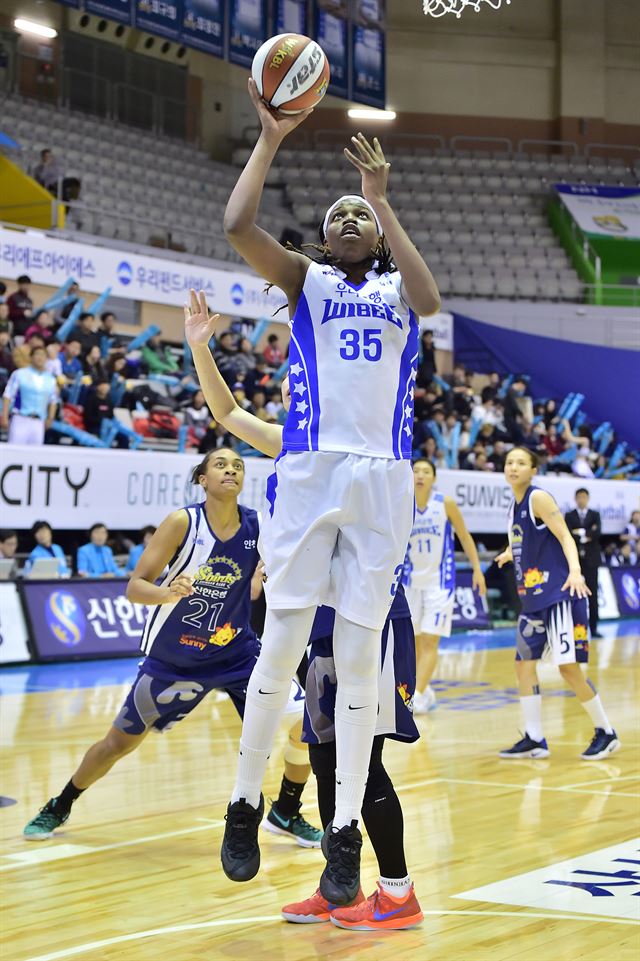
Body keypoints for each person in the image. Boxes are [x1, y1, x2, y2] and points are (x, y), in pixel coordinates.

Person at [197, 75, 439, 907]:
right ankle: (242, 803)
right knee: (282, 645)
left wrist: (383, 199)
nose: (345, 220)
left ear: (374, 235)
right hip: (308, 467)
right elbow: (235, 226)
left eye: (357, 217)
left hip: (381, 476)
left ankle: (341, 835)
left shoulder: (399, 294)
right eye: (335, 213)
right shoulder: (308, 283)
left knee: (362, 658)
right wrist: (268, 138)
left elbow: (433, 295)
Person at [186, 313, 424, 930]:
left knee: (364, 759)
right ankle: (336, 880)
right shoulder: (289, 441)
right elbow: (227, 412)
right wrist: (200, 348)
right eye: (295, 382)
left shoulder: (366, 447)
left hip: (370, 621)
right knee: (321, 757)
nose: (301, 386)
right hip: (311, 624)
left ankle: (397, 891)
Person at [23, 449, 321, 850]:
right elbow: (135, 586)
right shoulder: (183, 522)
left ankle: (285, 810)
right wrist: (166, 593)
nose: (230, 469)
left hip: (237, 654)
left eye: (238, 465)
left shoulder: (258, 525)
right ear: (202, 478)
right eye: (220, 464)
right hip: (175, 660)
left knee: (309, 722)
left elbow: (261, 580)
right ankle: (62, 802)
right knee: (118, 744)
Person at [496, 448, 619, 761]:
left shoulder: (539, 498)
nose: (513, 467)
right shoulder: (514, 505)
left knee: (568, 669)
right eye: (509, 462)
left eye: (521, 463)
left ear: (533, 470)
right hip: (533, 600)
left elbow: (565, 536)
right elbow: (523, 538)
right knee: (523, 665)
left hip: (558, 595)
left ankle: (606, 731)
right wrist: (511, 553)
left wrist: (576, 572)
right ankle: (534, 737)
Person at [404, 459, 486, 713]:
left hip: (440, 583)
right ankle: (425, 689)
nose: (420, 475)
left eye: (426, 472)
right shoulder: (403, 503)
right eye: (416, 471)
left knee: (430, 641)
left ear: (434, 478)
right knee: (415, 643)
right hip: (410, 582)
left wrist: (476, 569)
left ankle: (416, 696)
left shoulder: (445, 503)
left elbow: (464, 536)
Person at [1, 344, 58, 445]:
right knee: (15, 451)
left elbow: (53, 400)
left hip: (39, 421)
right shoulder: (19, 374)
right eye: (37, 354)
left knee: (35, 456)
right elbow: (8, 395)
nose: (40, 357)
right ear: (31, 357)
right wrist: (4, 416)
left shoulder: (50, 379)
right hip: (20, 418)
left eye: (43, 355)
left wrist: (50, 418)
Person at [565, 488, 602, 638]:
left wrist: (579, 532)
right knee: (572, 595)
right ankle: (572, 629)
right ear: (575, 499)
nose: (581, 500)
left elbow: (597, 533)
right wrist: (587, 533)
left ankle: (594, 628)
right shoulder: (569, 515)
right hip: (575, 562)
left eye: (584, 497)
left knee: (592, 595)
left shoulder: (595, 515)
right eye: (579, 497)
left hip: (591, 561)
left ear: (587, 498)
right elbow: (567, 534)